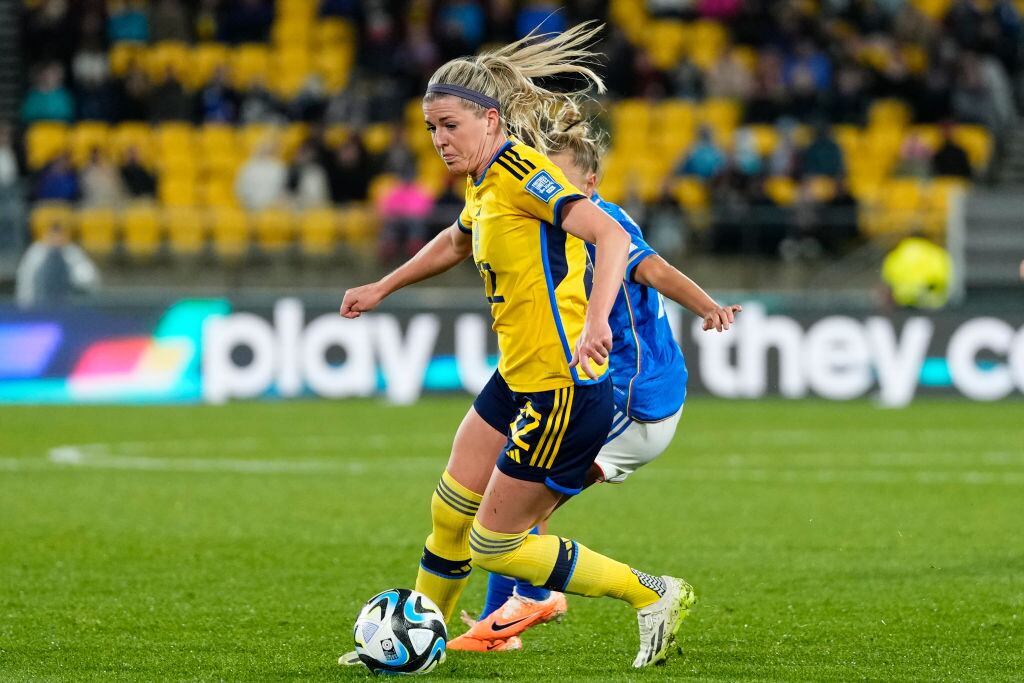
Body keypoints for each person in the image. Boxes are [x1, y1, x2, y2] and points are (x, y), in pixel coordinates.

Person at [339, 23, 695, 669]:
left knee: (494, 544)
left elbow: (611, 236)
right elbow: (455, 240)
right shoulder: (483, 179)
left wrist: (595, 321)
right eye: (431, 128)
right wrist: (383, 286)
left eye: (449, 125)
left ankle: (652, 592)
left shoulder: (523, 174)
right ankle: (423, 640)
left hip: (563, 388)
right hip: (517, 377)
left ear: (490, 119)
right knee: (449, 511)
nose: (439, 140)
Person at [451, 119, 742, 651]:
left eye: (563, 182)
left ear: (589, 184)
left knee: (514, 502)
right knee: (515, 497)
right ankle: (510, 614)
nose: (552, 192)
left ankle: (526, 608)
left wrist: (707, 307)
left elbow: (654, 270)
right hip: (610, 390)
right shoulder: (548, 223)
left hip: (632, 401)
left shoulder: (605, 224)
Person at [15, 223, 100, 309]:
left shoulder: (72, 252)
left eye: (59, 237)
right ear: (46, 237)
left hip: (67, 304)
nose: (56, 240)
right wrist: (25, 303)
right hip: (39, 304)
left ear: (64, 238)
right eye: (53, 237)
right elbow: (25, 278)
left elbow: (88, 278)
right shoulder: (36, 252)